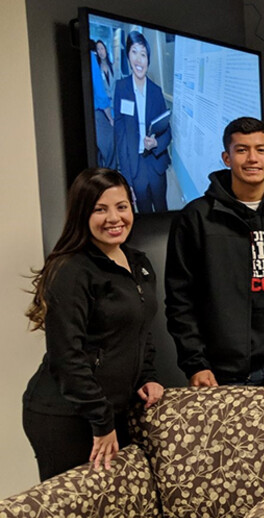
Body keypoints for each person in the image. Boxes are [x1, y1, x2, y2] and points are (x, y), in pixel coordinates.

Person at [22, 168, 163, 481]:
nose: (114, 218)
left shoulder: (137, 262)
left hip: (112, 412)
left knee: (111, 511)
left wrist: (147, 375)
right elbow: (65, 357)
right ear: (83, 214)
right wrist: (102, 422)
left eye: (121, 207)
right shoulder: (71, 269)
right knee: (75, 517)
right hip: (66, 416)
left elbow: (140, 328)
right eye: (100, 209)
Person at [166, 117, 264, 387]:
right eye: (241, 150)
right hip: (224, 372)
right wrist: (195, 363)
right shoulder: (197, 219)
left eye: (260, 150)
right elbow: (180, 300)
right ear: (226, 157)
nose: (252, 159)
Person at [112, 31, 171, 213]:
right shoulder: (121, 88)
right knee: (144, 214)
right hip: (135, 166)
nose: (139, 60)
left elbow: (167, 131)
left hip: (155, 164)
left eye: (143, 54)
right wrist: (126, 180)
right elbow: (120, 138)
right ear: (128, 56)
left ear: (148, 59)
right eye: (134, 52)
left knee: (162, 211)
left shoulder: (156, 91)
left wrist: (156, 143)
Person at [90, 39, 116, 169]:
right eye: (98, 49)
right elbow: (100, 92)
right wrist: (109, 117)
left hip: (112, 106)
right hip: (102, 109)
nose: (101, 51)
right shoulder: (95, 64)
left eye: (102, 48)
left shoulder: (113, 66)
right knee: (108, 144)